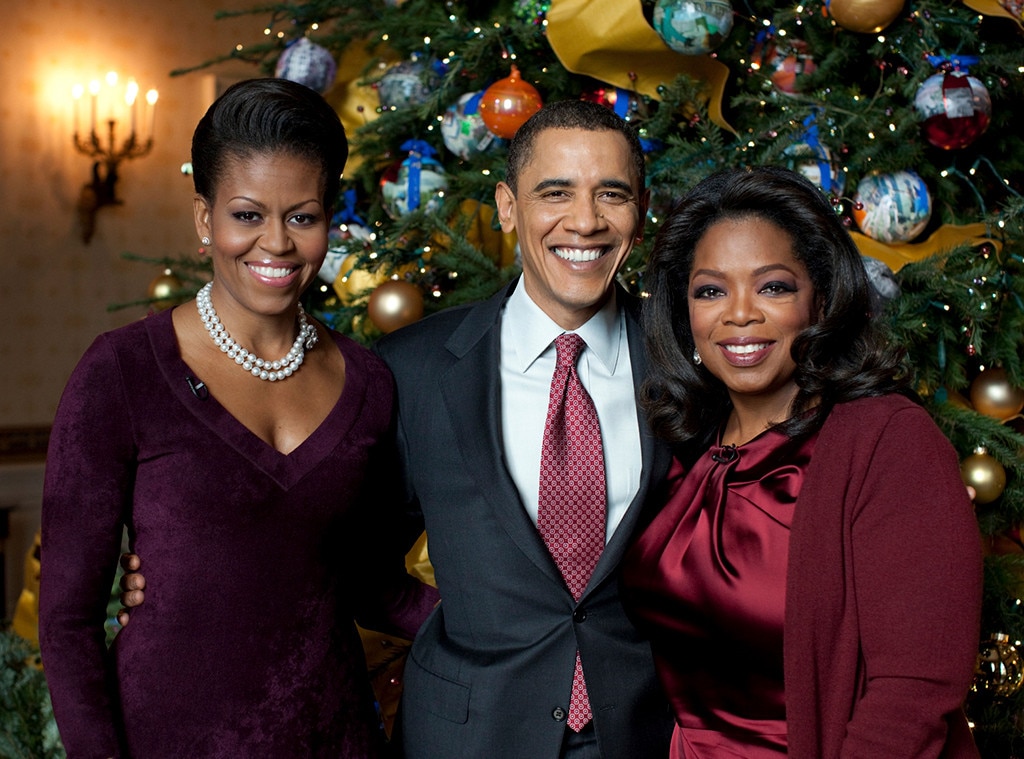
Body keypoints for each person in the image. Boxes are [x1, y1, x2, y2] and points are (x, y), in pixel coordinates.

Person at [118, 99, 677, 757]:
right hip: (466, 734)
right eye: (555, 193)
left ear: (640, 209)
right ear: (507, 205)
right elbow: (337, 549)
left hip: (649, 732)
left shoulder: (690, 360)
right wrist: (171, 576)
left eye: (610, 194)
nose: (584, 221)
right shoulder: (413, 370)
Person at [38, 77, 438, 758]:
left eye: (302, 216)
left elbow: (370, 583)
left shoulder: (370, 382)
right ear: (205, 219)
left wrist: (524, 623)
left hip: (337, 738)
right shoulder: (123, 371)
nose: (276, 244)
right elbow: (69, 620)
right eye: (247, 215)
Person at [620, 166, 983, 758]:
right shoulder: (680, 442)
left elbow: (913, 695)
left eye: (773, 287)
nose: (739, 314)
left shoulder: (887, 443)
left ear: (819, 297)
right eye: (710, 290)